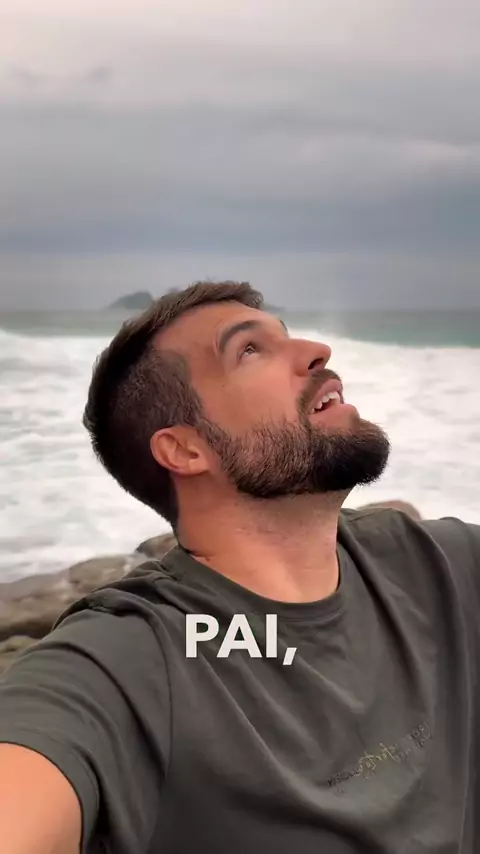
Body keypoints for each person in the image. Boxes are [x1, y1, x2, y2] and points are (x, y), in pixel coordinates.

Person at [0, 280, 479, 854]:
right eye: (250, 350)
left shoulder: (439, 565)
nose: (316, 350)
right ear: (185, 450)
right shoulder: (128, 661)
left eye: (285, 335)